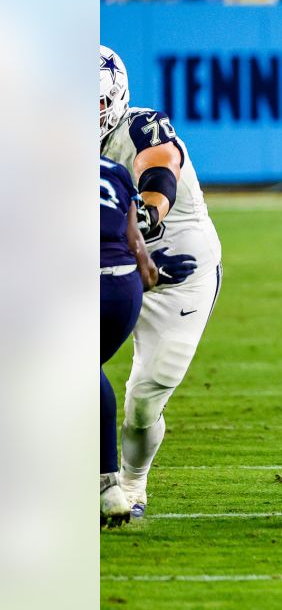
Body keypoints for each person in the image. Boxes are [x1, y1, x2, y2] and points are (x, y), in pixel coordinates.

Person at [100, 45, 222, 517]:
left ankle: (132, 485)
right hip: (102, 265)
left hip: (176, 271)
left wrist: (150, 209)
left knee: (145, 398)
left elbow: (159, 166)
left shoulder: (142, 124)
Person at [100, 157, 158, 527]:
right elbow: (136, 244)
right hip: (124, 286)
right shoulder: (113, 169)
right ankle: (106, 484)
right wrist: (147, 274)